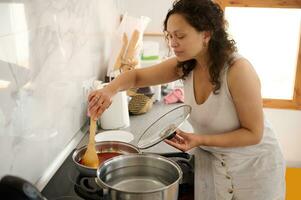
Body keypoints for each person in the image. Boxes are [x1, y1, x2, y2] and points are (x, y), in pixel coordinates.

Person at [88, 0, 286, 199]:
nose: (173, 43)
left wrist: (200, 139)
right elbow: (136, 77)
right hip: (213, 162)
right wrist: (109, 90)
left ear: (206, 34)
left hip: (255, 168)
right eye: (170, 36)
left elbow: (253, 133)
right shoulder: (187, 64)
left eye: (180, 36)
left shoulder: (238, 71)